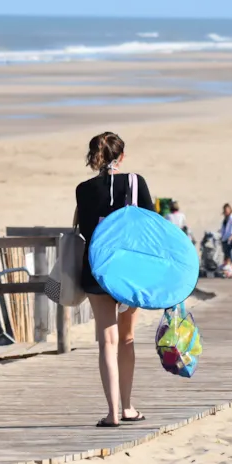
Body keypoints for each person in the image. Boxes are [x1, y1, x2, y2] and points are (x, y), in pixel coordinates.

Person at [75, 131, 154, 428]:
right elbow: (151, 226)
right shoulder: (136, 183)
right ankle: (129, 406)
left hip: (96, 269)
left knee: (106, 341)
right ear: (121, 157)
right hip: (129, 269)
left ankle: (112, 413)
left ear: (93, 158)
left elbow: (85, 230)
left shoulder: (83, 189)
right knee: (127, 338)